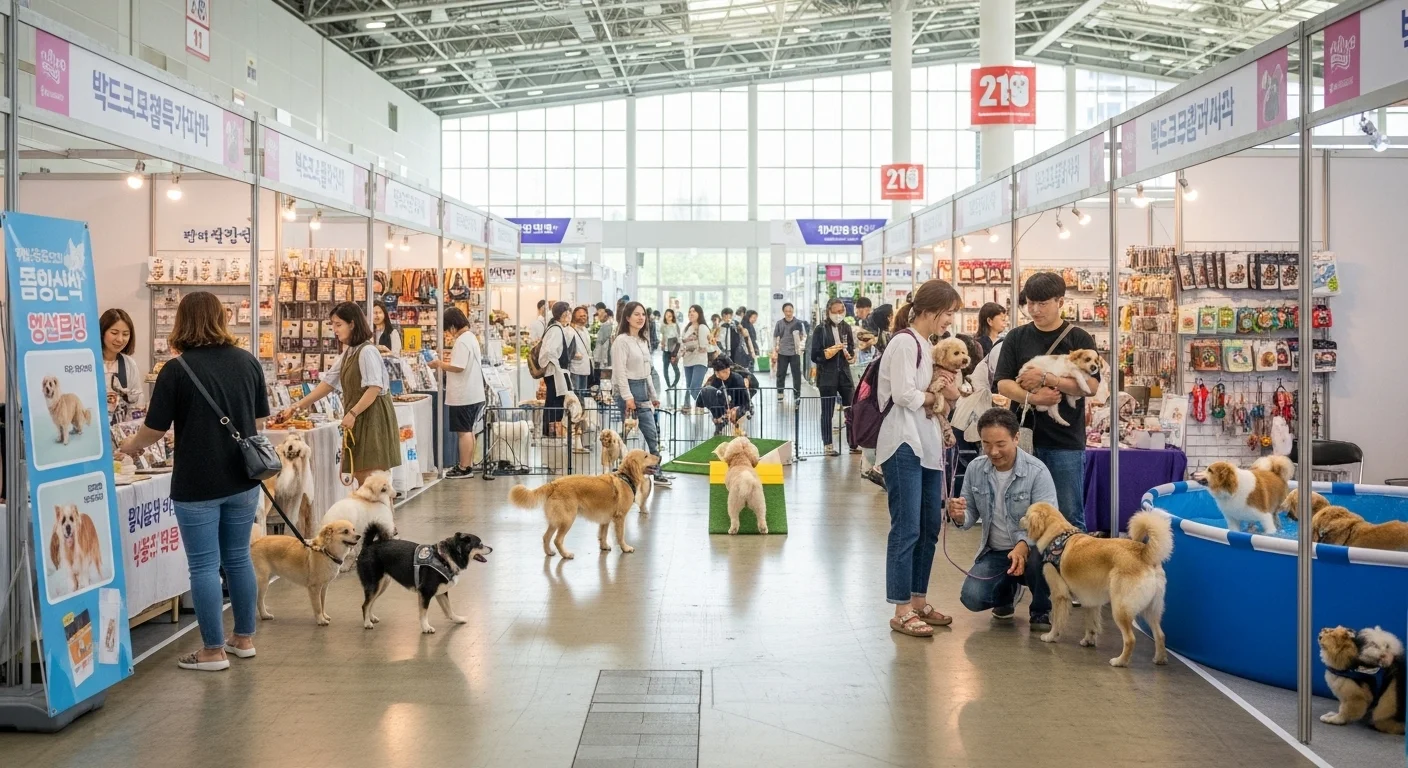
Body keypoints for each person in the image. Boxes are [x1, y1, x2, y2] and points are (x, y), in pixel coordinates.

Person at [118, 291, 268, 671]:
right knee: (238, 558)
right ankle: (243, 639)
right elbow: (261, 425)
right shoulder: (248, 362)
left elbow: (153, 431)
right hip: (244, 479)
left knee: (203, 565)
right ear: (223, 317)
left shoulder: (176, 370)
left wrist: (128, 447)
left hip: (197, 482)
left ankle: (212, 650)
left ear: (181, 321)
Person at [879, 280, 962, 638]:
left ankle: (918, 600)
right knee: (907, 528)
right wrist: (934, 399)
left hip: (927, 446)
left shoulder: (926, 346)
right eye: (948, 313)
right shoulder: (903, 343)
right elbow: (902, 394)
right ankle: (900, 608)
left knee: (930, 525)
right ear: (931, 311)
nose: (950, 320)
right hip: (903, 444)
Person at [994, 272, 1099, 530]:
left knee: (1068, 515)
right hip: (1023, 438)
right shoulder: (1016, 337)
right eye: (1030, 303)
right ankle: (1026, 569)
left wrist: (1050, 379)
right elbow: (1003, 383)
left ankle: (1071, 568)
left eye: (1042, 304)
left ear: (1060, 302)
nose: (1035, 310)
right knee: (1022, 516)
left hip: (1065, 442)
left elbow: (1093, 387)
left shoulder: (1079, 338)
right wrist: (1033, 396)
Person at [950, 408, 1058, 631]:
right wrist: (960, 515)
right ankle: (1007, 594)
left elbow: (1049, 524)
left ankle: (1040, 609)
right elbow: (970, 516)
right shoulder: (975, 468)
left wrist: (1022, 545)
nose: (993, 451)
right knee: (971, 598)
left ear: (1016, 438)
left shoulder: (1037, 472)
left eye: (1000, 444)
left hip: (1034, 550)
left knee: (1039, 558)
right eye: (986, 444)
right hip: (997, 553)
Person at [279, 302, 401, 485]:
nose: (334, 330)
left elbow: (374, 388)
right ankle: (369, 514)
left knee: (374, 481)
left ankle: (379, 514)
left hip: (372, 418)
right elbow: (328, 383)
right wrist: (297, 406)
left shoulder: (367, 351)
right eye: (333, 325)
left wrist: (352, 413)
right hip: (360, 417)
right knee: (363, 478)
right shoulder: (349, 351)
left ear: (352, 324)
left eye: (338, 324)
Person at [611, 301, 670, 487]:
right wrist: (628, 397)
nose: (640, 318)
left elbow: (648, 371)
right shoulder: (621, 341)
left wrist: (654, 396)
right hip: (627, 389)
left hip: (643, 387)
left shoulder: (644, 341)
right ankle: (623, 471)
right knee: (627, 433)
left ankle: (656, 469)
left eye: (643, 314)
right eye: (636, 314)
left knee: (651, 432)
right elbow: (619, 372)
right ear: (627, 317)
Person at [432, 307, 485, 479]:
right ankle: (467, 463)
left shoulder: (462, 341)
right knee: (468, 430)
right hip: (472, 393)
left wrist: (439, 364)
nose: (448, 333)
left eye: (448, 328)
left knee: (464, 432)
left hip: (463, 395)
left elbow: (459, 366)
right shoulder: (471, 338)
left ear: (453, 326)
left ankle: (464, 467)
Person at [809, 298, 856, 457]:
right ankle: (828, 444)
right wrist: (828, 353)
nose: (838, 314)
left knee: (851, 409)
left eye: (841, 311)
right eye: (835, 312)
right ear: (828, 312)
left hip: (844, 374)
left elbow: (851, 348)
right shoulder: (820, 330)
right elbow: (814, 355)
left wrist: (851, 356)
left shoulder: (847, 327)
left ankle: (853, 442)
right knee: (827, 411)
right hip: (827, 376)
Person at [536, 301, 576, 440]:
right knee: (555, 402)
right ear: (563, 314)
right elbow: (550, 351)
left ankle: (551, 431)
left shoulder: (556, 328)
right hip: (554, 373)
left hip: (553, 372)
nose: (570, 315)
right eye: (568, 312)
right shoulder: (556, 330)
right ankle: (552, 432)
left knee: (553, 401)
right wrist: (557, 366)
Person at [99, 308, 144, 425]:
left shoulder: (129, 364)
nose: (120, 339)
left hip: (120, 432)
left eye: (125, 334)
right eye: (114, 333)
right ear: (102, 332)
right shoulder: (88, 362)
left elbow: (136, 404)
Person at [696, 355, 753, 435]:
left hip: (739, 407)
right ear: (716, 373)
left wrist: (736, 409)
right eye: (724, 372)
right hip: (723, 409)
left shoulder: (738, 379)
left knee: (738, 431)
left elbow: (745, 401)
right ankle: (719, 425)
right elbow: (702, 399)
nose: (727, 373)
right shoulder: (713, 381)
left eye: (728, 370)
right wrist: (717, 414)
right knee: (708, 391)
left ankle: (737, 430)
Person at [770, 302, 806, 404]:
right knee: (780, 374)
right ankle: (780, 394)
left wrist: (801, 346)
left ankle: (797, 395)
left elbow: (803, 337)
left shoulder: (798, 323)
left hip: (795, 353)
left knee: (796, 375)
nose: (788, 313)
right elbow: (775, 337)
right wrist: (774, 350)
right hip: (782, 352)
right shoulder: (779, 323)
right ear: (783, 312)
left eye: (790, 311)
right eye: (786, 311)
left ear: (793, 310)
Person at [679, 305, 709, 414]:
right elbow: (682, 343)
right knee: (689, 387)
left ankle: (705, 404)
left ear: (699, 314)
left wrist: (703, 347)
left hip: (699, 360)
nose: (691, 313)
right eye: (689, 311)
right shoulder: (687, 328)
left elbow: (709, 344)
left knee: (694, 386)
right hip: (687, 360)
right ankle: (696, 405)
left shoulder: (702, 327)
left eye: (694, 311)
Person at [568, 305, 594, 393]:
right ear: (574, 317)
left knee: (583, 393)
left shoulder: (585, 330)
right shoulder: (570, 330)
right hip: (575, 368)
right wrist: (573, 355)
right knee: (575, 394)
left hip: (585, 367)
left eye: (584, 315)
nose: (583, 317)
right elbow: (566, 349)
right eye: (580, 316)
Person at [593, 305, 616, 383]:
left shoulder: (607, 326)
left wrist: (596, 359)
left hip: (605, 358)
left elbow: (602, 344)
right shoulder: (611, 325)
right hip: (608, 358)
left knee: (605, 381)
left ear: (606, 315)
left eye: (601, 315)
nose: (600, 317)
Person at [660, 308, 681, 391]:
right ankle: (669, 385)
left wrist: (675, 354)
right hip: (665, 350)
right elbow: (663, 337)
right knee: (665, 370)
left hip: (673, 351)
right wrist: (662, 343)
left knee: (676, 369)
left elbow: (678, 341)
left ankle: (674, 385)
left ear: (673, 317)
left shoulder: (675, 325)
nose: (668, 317)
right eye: (667, 315)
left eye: (670, 316)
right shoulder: (663, 326)